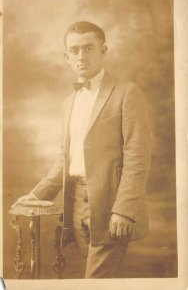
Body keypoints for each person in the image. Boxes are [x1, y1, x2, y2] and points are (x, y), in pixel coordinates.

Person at [12, 21, 152, 278]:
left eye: (88, 48)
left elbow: (137, 157)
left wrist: (124, 209)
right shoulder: (69, 103)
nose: (81, 56)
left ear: (103, 49)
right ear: (66, 57)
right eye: (74, 51)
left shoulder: (126, 93)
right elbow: (65, 159)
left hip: (111, 205)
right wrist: (36, 194)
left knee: (95, 280)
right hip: (75, 205)